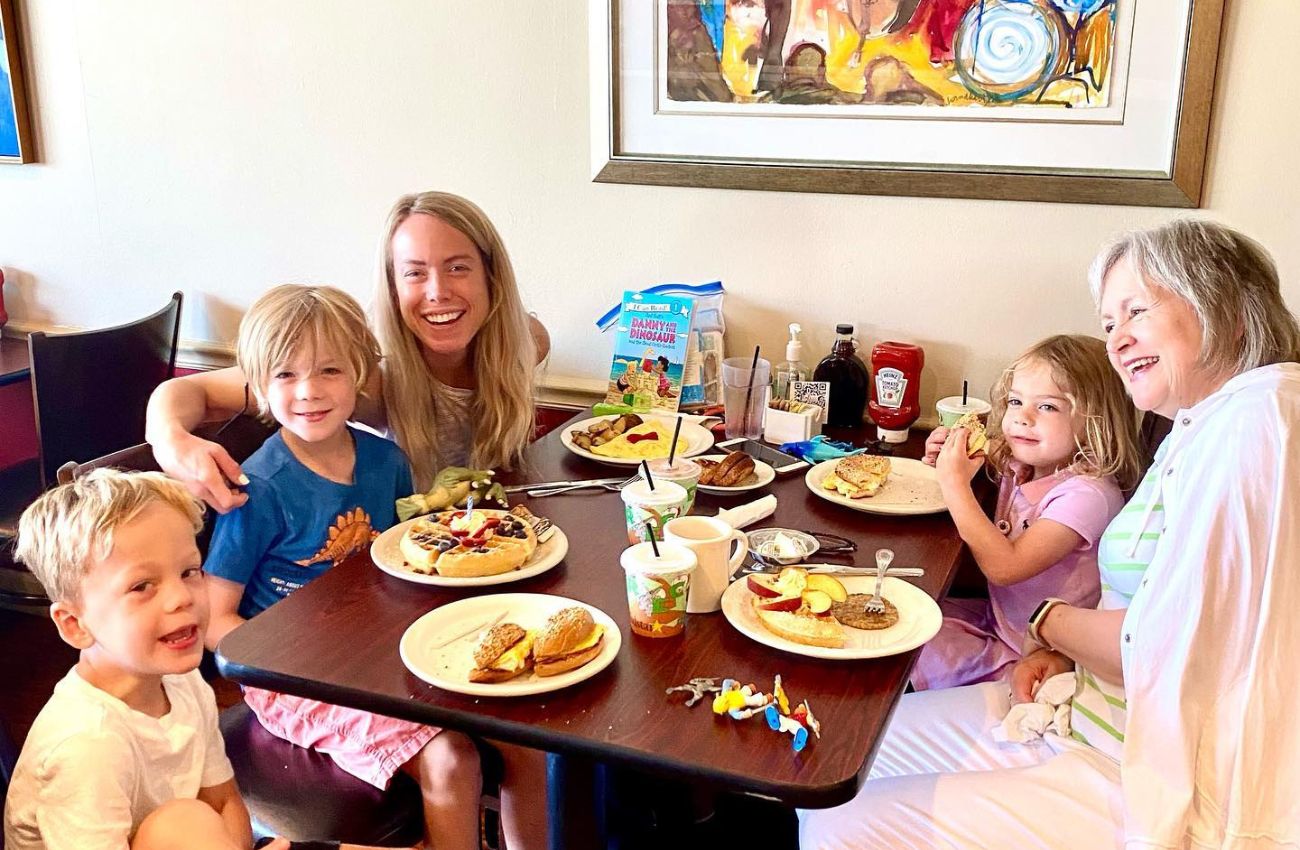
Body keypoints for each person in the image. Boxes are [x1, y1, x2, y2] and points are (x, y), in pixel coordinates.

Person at [800, 220, 1300, 849]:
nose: (1117, 339)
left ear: (1220, 304)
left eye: (1136, 310)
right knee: (835, 755)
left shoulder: (1262, 421)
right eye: (1109, 321)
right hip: (1079, 705)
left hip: (1141, 769)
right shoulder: (1201, 427)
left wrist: (1048, 622)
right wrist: (1062, 649)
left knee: (842, 822)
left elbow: (1163, 650)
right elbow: (1180, 616)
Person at [202, 285, 547, 850]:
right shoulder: (258, 488)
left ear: (360, 373)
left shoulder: (386, 460)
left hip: (380, 650)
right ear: (259, 385)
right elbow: (216, 615)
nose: (309, 392)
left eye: (329, 371)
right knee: (451, 758)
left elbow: (402, 561)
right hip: (293, 677)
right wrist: (292, 660)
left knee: (529, 733)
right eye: (285, 375)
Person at [146, 191, 550, 513]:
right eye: (414, 273)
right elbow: (188, 392)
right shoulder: (365, 373)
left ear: (491, 276)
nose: (437, 292)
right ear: (393, 289)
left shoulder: (526, 343)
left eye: (458, 267)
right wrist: (169, 440)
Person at [4, 469, 286, 850]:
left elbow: (223, 801)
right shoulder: (86, 745)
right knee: (182, 822)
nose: (182, 598)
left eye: (189, 572)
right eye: (141, 586)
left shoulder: (182, 682)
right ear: (75, 625)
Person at [910, 334, 1140, 690]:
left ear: (1096, 421)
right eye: (1015, 401)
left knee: (911, 654)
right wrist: (945, 458)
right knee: (901, 622)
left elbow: (1006, 567)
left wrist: (954, 484)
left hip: (1036, 652)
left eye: (1047, 407)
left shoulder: (1089, 494)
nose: (1022, 418)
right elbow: (982, 464)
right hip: (997, 619)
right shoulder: (1025, 462)